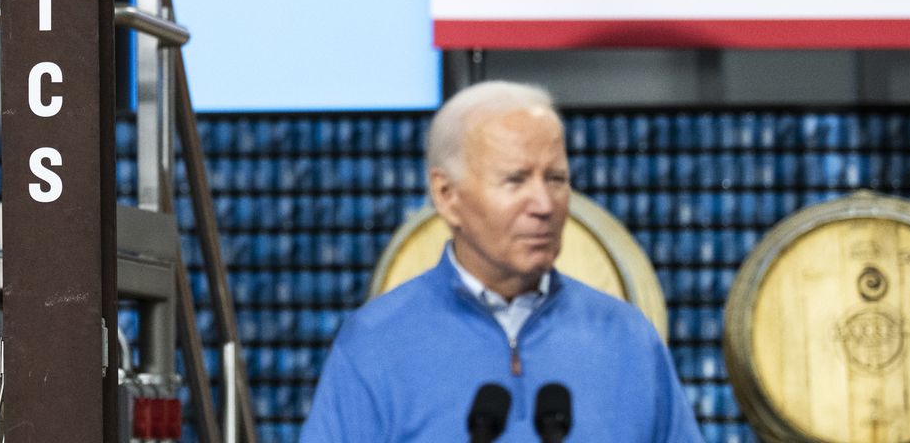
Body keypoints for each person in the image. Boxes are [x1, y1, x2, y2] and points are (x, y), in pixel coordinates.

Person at [300, 82, 702, 442]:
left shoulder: (628, 339)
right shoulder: (375, 343)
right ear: (446, 195)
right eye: (515, 180)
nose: (543, 205)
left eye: (556, 179)